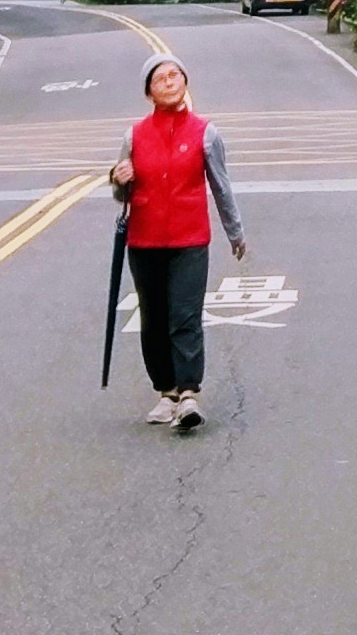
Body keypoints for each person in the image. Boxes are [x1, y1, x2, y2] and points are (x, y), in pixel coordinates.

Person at [108, 53, 244, 432]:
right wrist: (119, 178)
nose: (169, 82)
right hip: (144, 241)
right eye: (160, 79)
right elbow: (121, 195)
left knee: (185, 316)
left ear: (185, 83)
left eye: (175, 75)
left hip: (189, 239)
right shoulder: (133, 136)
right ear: (149, 93)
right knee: (153, 319)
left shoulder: (205, 133)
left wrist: (235, 232)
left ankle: (188, 394)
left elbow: (221, 185)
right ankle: (165, 392)